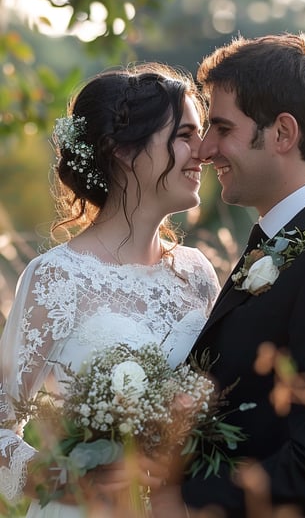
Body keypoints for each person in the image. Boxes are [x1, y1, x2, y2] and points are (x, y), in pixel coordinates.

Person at [151, 33, 305, 517]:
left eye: (221, 127)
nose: (206, 149)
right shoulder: (284, 238)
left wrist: (187, 502)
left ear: (282, 134)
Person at [0, 63, 221, 517]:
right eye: (184, 135)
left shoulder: (198, 275)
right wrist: (65, 477)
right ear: (122, 149)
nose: (203, 151)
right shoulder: (56, 278)